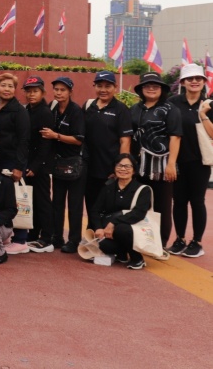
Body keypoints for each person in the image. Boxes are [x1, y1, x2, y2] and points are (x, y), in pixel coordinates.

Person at [130, 71, 181, 248]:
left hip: (162, 166)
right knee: (139, 205)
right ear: (141, 89)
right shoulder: (135, 109)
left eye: (155, 86)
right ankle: (141, 242)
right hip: (138, 166)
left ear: (162, 89)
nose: (151, 89)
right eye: (147, 85)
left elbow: (175, 137)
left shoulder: (170, 109)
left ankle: (161, 244)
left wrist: (171, 164)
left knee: (162, 207)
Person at [168, 63, 213, 257]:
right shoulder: (172, 103)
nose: (194, 81)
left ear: (203, 82)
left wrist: (202, 114)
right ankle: (179, 239)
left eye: (198, 78)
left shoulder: (209, 104)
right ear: (182, 82)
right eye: (189, 79)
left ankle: (197, 242)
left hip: (199, 162)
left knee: (197, 201)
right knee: (178, 201)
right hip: (177, 161)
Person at [83, 71, 133, 228]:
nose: (103, 90)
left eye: (108, 86)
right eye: (99, 86)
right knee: (91, 203)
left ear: (115, 87)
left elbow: (125, 140)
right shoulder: (88, 106)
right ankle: (92, 234)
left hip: (110, 169)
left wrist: (120, 167)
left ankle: (107, 236)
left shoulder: (121, 109)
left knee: (108, 206)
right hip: (88, 167)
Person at [43, 76, 86, 253]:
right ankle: (57, 237)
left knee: (75, 204)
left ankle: (74, 240)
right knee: (57, 202)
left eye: (63, 90)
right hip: (58, 163)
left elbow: (78, 139)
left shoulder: (76, 111)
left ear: (70, 92)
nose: (59, 93)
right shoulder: (52, 107)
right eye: (56, 89)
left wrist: (56, 136)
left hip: (75, 164)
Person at [88, 153, 152, 270]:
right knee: (104, 245)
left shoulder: (143, 190)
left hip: (132, 229)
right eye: (119, 165)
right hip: (109, 232)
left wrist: (113, 223)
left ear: (134, 170)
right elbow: (95, 210)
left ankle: (137, 258)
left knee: (122, 229)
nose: (123, 169)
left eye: (127, 166)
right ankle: (121, 254)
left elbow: (138, 213)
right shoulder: (108, 188)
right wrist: (98, 228)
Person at [0, 73, 31, 255]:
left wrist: (19, 167)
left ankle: (21, 239)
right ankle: (6, 235)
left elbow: (24, 140)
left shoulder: (20, 111)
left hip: (12, 161)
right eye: (3, 85)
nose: (7, 89)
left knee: (16, 200)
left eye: (10, 86)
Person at [22, 76, 56, 253]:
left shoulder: (44, 112)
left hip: (40, 166)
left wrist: (35, 166)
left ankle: (47, 238)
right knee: (31, 201)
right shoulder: (27, 109)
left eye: (35, 91)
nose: (31, 94)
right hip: (28, 164)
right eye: (28, 91)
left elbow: (45, 143)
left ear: (42, 92)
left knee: (43, 202)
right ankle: (33, 234)